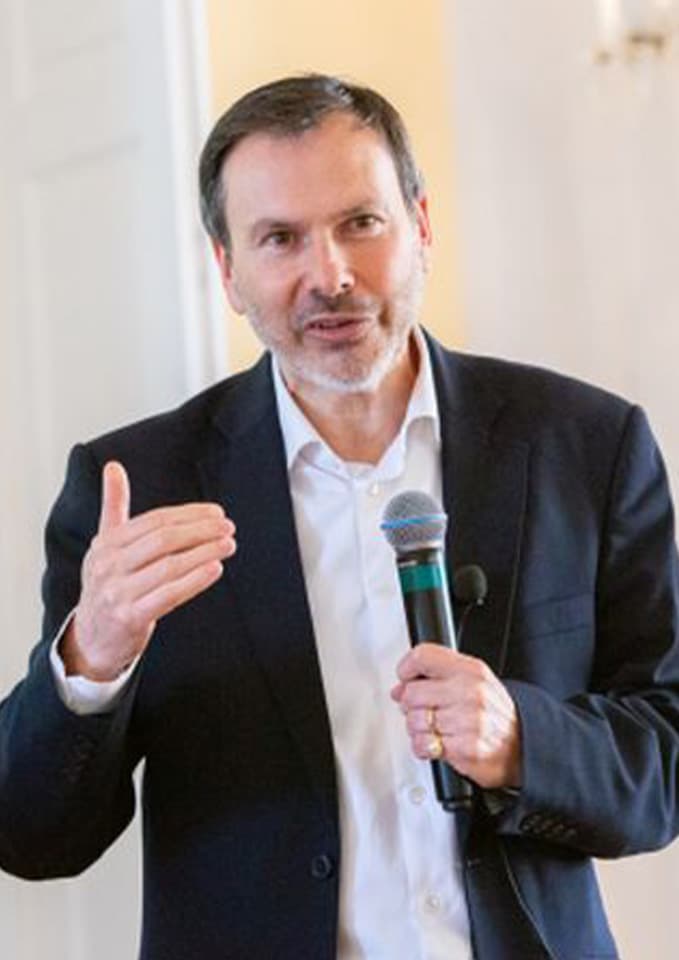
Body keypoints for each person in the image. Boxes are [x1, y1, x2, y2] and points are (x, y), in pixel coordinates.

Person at [0, 74, 678, 960]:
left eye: (361, 222)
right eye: (279, 238)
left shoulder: (586, 444)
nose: (330, 276)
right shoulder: (137, 487)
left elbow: (665, 761)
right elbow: (32, 837)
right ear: (228, 271)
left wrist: (522, 740)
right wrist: (92, 658)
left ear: (421, 227)